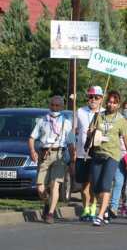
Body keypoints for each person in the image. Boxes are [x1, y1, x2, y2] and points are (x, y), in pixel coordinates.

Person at [88, 91, 127, 226]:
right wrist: (91, 132)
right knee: (96, 187)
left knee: (105, 185)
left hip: (112, 156)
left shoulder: (121, 120)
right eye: (109, 102)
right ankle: (106, 209)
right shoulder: (98, 116)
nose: (111, 104)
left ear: (118, 104)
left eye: (114, 102)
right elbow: (90, 132)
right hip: (97, 153)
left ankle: (100, 215)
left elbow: (126, 139)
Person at [28, 96, 76, 224]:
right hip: (44, 155)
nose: (55, 108)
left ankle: (50, 213)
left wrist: (72, 160)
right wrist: (32, 151)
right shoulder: (42, 120)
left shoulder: (66, 122)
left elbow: (71, 143)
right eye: (53, 105)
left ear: (61, 107)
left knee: (55, 184)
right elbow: (32, 138)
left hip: (59, 154)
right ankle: (48, 203)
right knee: (40, 188)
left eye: (57, 105)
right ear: (50, 105)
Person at [74, 86, 104, 221]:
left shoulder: (104, 113)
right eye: (90, 97)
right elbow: (73, 130)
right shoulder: (80, 111)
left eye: (96, 97)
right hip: (82, 153)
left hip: (98, 154)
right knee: (84, 184)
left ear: (101, 99)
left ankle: (93, 208)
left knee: (95, 184)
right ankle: (86, 208)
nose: (93, 100)